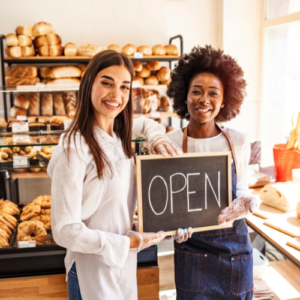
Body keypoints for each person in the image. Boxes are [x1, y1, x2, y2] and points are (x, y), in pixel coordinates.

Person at [48, 50, 181, 300]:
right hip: (89, 270)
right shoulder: (73, 146)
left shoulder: (120, 135)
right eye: (106, 83)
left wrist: (157, 138)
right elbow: (64, 230)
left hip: (123, 265)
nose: (116, 95)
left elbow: (149, 125)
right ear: (89, 84)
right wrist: (127, 244)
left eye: (124, 87)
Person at [166, 45, 258, 300]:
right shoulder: (169, 142)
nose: (203, 99)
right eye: (196, 91)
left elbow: (240, 190)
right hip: (191, 255)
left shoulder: (238, 141)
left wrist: (248, 202)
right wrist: (173, 226)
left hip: (235, 257)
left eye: (213, 93)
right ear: (184, 96)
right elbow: (166, 202)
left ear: (225, 99)